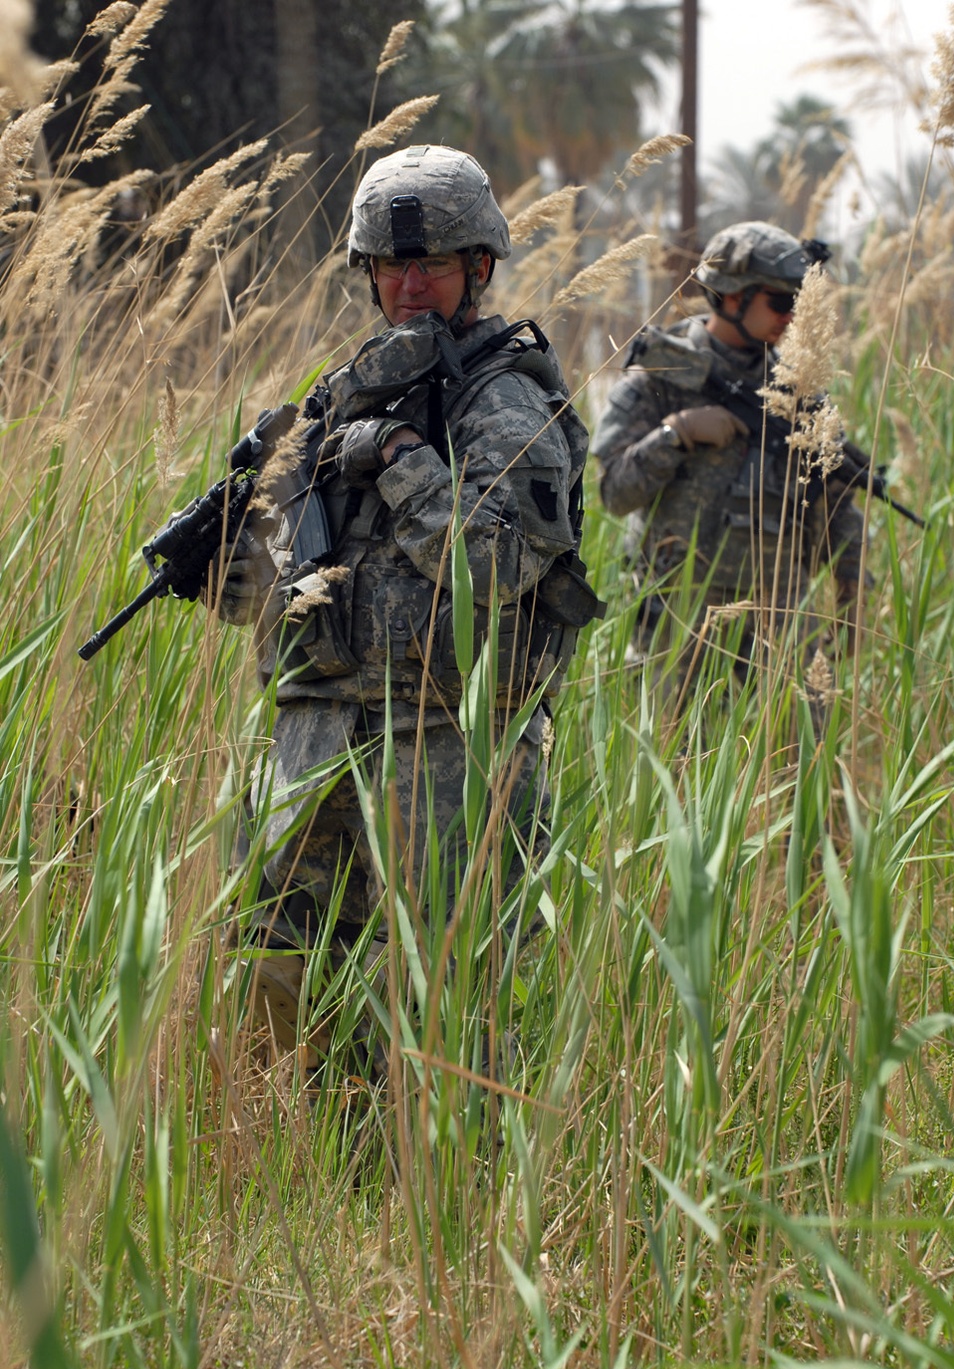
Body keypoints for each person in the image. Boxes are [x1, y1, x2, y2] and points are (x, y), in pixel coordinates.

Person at [208, 144, 597, 1061]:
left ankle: (434, 1202)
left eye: (432, 263)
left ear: (480, 269)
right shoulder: (338, 396)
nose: (411, 283)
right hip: (312, 743)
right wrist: (239, 566)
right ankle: (295, 1192)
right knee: (271, 977)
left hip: (447, 747)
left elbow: (497, 566)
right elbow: (275, 587)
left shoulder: (507, 401)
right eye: (392, 264)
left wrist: (398, 460)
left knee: (438, 1005)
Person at [591, 220, 867, 711]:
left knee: (789, 763)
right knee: (669, 761)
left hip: (777, 621)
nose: (790, 317)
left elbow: (834, 502)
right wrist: (677, 433)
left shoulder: (799, 390)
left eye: (797, 304)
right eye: (780, 302)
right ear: (733, 296)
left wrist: (853, 581)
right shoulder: (666, 371)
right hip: (676, 617)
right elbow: (614, 492)